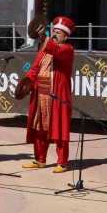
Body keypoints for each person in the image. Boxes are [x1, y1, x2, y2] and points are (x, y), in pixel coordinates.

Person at [22, 16, 76, 173]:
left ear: (65, 36)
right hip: (41, 94)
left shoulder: (67, 49)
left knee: (60, 128)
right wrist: (27, 81)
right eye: (54, 31)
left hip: (57, 95)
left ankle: (63, 162)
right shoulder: (44, 50)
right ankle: (40, 159)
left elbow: (56, 50)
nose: (55, 34)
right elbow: (34, 69)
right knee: (39, 128)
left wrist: (43, 37)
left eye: (58, 32)